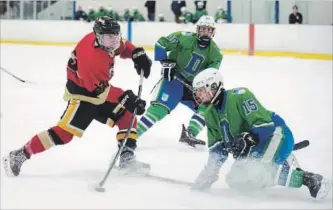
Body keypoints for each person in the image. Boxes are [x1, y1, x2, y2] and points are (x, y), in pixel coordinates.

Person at [2, 16, 152, 177]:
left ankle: (126, 158)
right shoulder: (92, 58)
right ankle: (19, 154)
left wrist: (136, 53)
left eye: (115, 36)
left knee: (128, 116)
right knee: (63, 135)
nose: (114, 42)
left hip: (99, 93)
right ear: (99, 36)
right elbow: (97, 90)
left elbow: (122, 45)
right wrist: (126, 97)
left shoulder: (105, 41)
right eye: (110, 38)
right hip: (83, 96)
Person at [190, 68, 332, 199]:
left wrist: (249, 137)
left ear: (213, 87)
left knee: (258, 172)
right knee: (235, 180)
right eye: (197, 92)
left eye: (201, 91)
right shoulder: (209, 114)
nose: (199, 95)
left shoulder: (240, 96)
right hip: (256, 148)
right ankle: (281, 166)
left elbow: (265, 126)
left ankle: (309, 179)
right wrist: (208, 174)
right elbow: (217, 150)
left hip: (276, 134)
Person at [136, 15, 223, 147]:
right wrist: (165, 62)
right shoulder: (184, 37)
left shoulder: (216, 54)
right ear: (197, 29)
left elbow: (210, 75)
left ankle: (190, 133)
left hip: (194, 87)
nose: (205, 32)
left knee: (209, 109)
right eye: (203, 29)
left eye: (209, 30)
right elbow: (161, 43)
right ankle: (132, 135)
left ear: (213, 32)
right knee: (159, 109)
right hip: (174, 80)